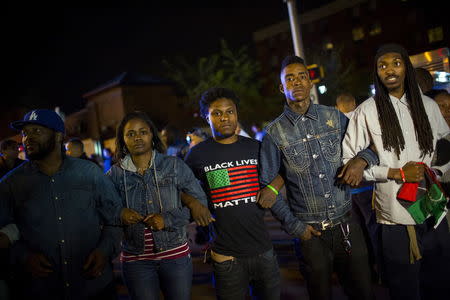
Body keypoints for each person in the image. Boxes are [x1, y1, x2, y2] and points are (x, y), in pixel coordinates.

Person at [259, 55, 379, 300]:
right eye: (290, 79)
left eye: (302, 76)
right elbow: (267, 187)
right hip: (310, 233)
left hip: (347, 224)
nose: (297, 82)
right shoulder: (274, 133)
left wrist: (362, 160)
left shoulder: (334, 118)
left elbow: (371, 145)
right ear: (281, 87)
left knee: (364, 292)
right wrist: (296, 228)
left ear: (310, 81)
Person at [342, 43, 450, 300]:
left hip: (431, 211)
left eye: (396, 63)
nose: (389, 69)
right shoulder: (366, 111)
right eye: (382, 65)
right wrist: (394, 174)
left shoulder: (428, 106)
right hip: (395, 218)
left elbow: (445, 145)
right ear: (377, 73)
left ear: (406, 68)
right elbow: (348, 164)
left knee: (441, 285)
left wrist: (435, 171)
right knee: (405, 291)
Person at [0, 109, 127, 300]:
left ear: (59, 136)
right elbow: (3, 232)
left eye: (37, 131)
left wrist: (104, 250)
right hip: (40, 291)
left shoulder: (89, 173)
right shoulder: (10, 184)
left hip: (94, 288)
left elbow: (115, 218)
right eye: (25, 133)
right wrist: (23, 256)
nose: (27, 138)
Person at [184, 87, 281, 300]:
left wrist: (273, 187)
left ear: (237, 113)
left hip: (264, 252)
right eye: (216, 113)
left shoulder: (256, 147)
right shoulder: (197, 155)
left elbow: (283, 169)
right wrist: (192, 202)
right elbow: (179, 186)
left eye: (230, 111)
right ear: (206, 117)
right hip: (225, 258)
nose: (224, 117)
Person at [107, 111, 210, 300]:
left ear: (152, 135)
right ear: (122, 139)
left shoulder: (174, 166)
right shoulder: (114, 174)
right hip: (136, 260)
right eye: (130, 133)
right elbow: (103, 210)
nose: (137, 137)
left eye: (143, 132)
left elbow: (201, 202)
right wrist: (119, 214)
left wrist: (167, 219)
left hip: (175, 256)